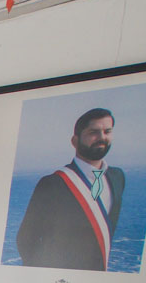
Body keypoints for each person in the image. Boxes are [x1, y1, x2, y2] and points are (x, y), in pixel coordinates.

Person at [15, 108, 125, 271]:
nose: (102, 137)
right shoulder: (53, 184)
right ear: (75, 141)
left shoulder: (117, 177)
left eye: (107, 131)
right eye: (93, 132)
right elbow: (26, 239)